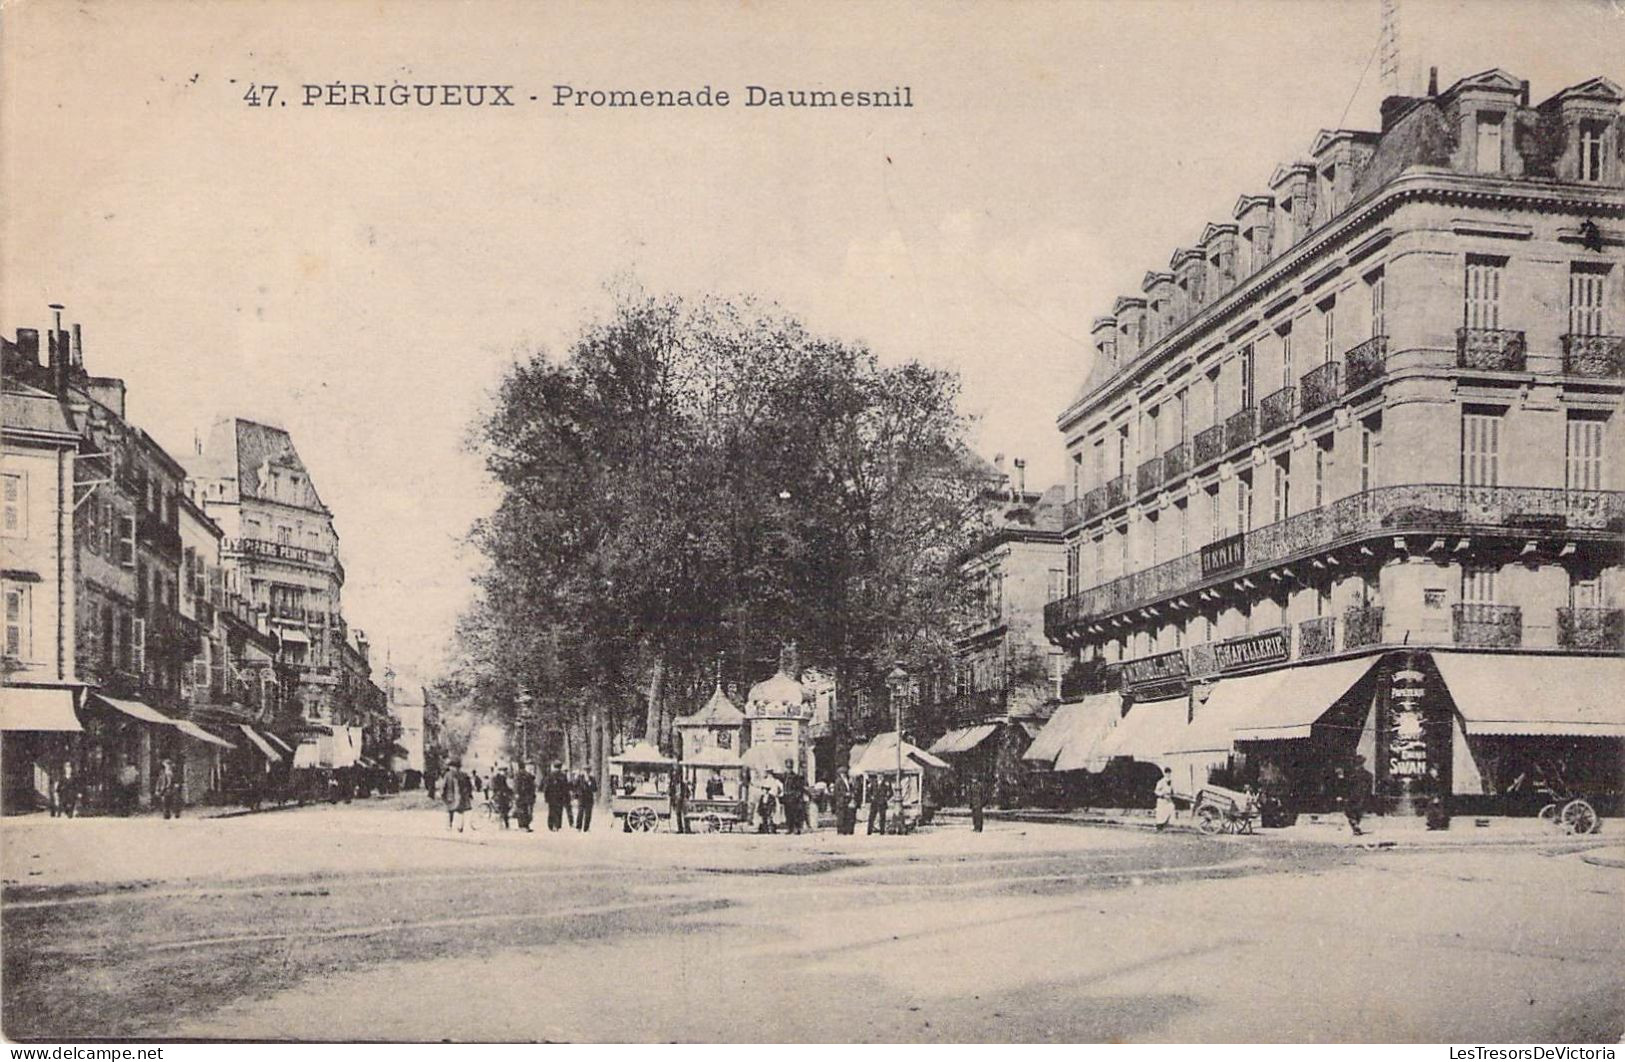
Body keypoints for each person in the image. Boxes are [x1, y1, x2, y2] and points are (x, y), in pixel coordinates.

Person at [1343, 754, 1372, 837]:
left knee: (1349, 811)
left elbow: (1347, 785)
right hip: (1363, 795)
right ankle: (1356, 825)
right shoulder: (1368, 775)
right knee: (1358, 811)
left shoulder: (1352, 775)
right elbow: (1369, 786)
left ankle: (1355, 825)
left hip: (1353, 795)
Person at [442, 760, 473, 832]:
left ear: (452, 767)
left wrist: (442, 794)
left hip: (450, 796)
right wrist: (469, 794)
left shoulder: (448, 775)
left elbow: (444, 786)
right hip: (461, 797)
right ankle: (460, 826)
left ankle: (449, 825)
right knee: (461, 811)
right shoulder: (463, 774)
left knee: (450, 811)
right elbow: (469, 785)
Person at [543, 762, 570, 831]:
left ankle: (551, 825)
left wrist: (546, 796)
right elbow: (565, 787)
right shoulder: (563, 775)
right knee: (559, 811)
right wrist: (566, 797)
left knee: (552, 810)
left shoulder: (550, 775)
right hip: (560, 796)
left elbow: (546, 787)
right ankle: (557, 825)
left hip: (551, 796)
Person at [514, 762, 537, 831]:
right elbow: (517, 784)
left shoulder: (529, 775)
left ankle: (525, 825)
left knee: (526, 811)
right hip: (523, 795)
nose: (530, 768)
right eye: (529, 766)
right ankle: (523, 826)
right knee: (524, 810)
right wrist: (517, 793)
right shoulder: (521, 774)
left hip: (526, 795)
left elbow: (532, 785)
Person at [833, 767, 856, 835]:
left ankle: (846, 830)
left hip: (847, 801)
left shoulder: (848, 781)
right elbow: (836, 792)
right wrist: (844, 794)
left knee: (847, 816)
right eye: (842, 773)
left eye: (844, 773)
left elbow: (850, 789)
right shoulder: (838, 781)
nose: (844, 775)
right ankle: (840, 830)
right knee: (841, 816)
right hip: (841, 801)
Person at [671, 765, 690, 834]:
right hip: (677, 801)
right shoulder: (673, 786)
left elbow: (688, 792)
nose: (676, 778)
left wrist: (686, 798)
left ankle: (687, 829)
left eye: (677, 777)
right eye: (675, 777)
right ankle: (680, 829)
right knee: (678, 815)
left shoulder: (684, 785)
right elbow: (672, 793)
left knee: (686, 815)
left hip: (683, 801)